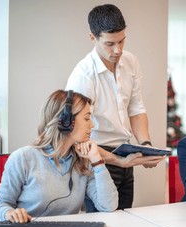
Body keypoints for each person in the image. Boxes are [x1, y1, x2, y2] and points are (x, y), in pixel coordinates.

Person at [66, 4, 164, 211]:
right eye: (110, 44)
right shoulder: (83, 76)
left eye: (122, 41)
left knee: (125, 219)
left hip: (125, 149)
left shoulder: (131, 61)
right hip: (96, 156)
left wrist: (145, 145)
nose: (118, 50)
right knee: (102, 223)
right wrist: (118, 161)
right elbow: (77, 137)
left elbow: (136, 108)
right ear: (93, 38)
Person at [0, 90, 118, 223]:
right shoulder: (23, 158)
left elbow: (108, 206)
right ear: (66, 122)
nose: (92, 125)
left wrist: (97, 161)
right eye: (86, 118)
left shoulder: (84, 161)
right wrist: (9, 213)